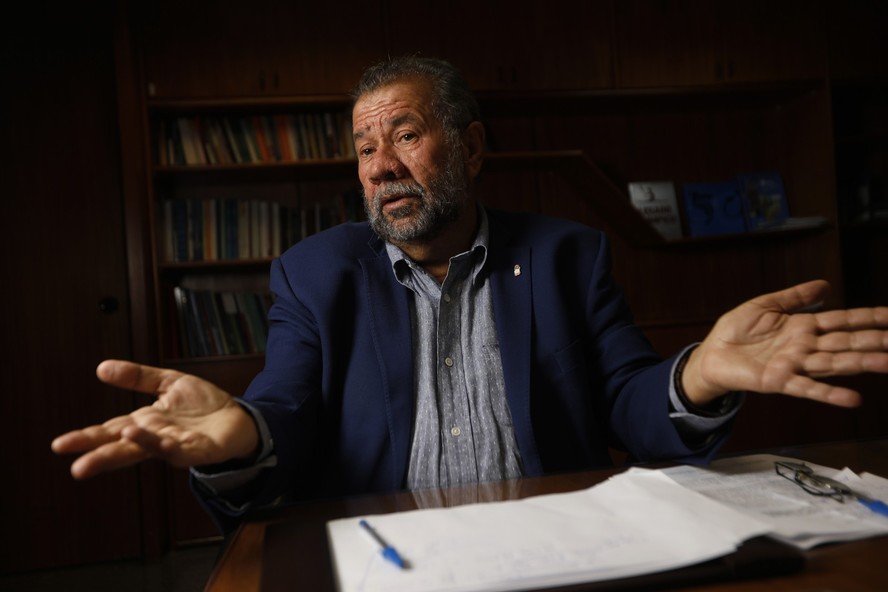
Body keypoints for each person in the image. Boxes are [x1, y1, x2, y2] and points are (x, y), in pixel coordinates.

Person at [53, 56, 888, 532]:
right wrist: (241, 436)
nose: (381, 166)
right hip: (391, 557)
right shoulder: (315, 273)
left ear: (471, 148)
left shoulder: (569, 256)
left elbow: (630, 407)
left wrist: (697, 374)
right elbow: (287, 410)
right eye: (365, 148)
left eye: (406, 135)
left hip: (559, 544)